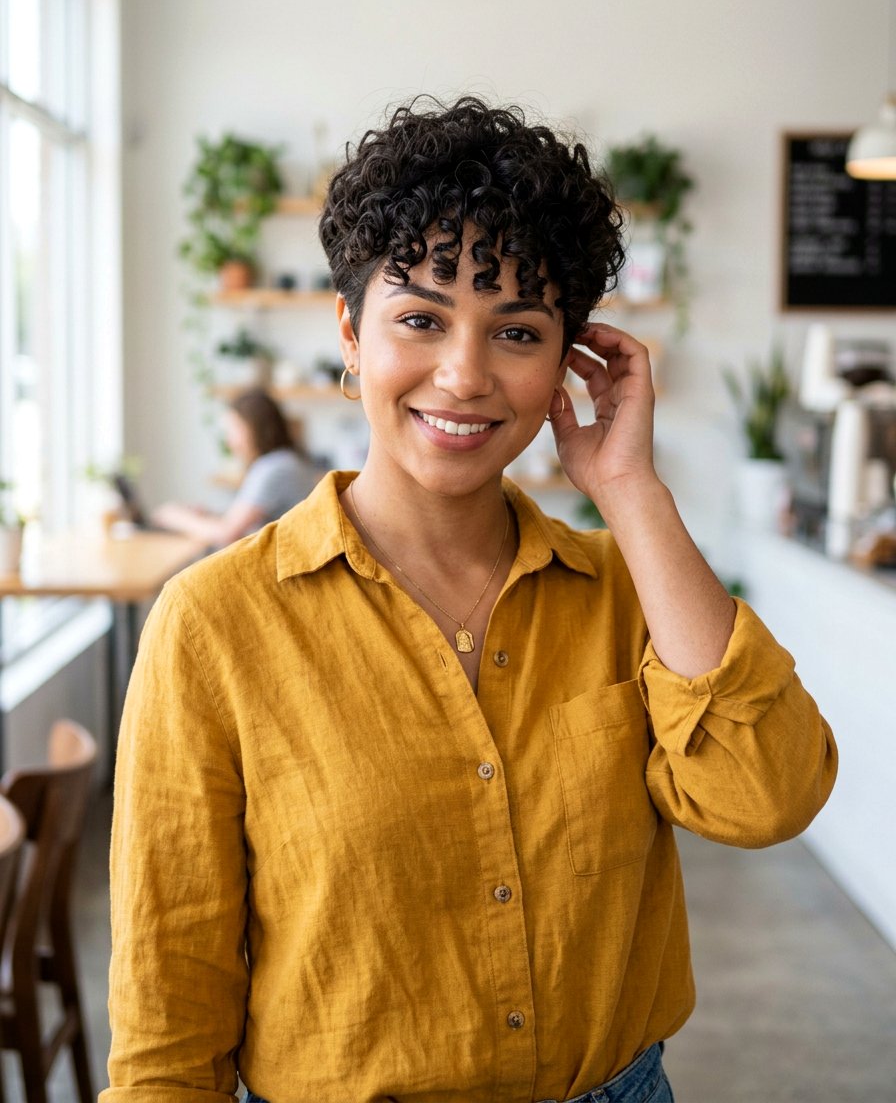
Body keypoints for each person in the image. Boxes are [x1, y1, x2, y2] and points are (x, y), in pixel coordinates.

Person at [103, 97, 837, 1103]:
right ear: (350, 332)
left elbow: (766, 798)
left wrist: (629, 489)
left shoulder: (628, 594)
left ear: (566, 366)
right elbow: (168, 1012)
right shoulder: (213, 623)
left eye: (517, 332)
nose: (463, 375)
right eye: (420, 319)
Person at [151, 388, 318, 547]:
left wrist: (175, 517)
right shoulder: (288, 460)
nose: (229, 441)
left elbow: (227, 534)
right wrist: (209, 516)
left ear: (254, 427)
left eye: (234, 429)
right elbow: (247, 522)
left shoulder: (274, 468)